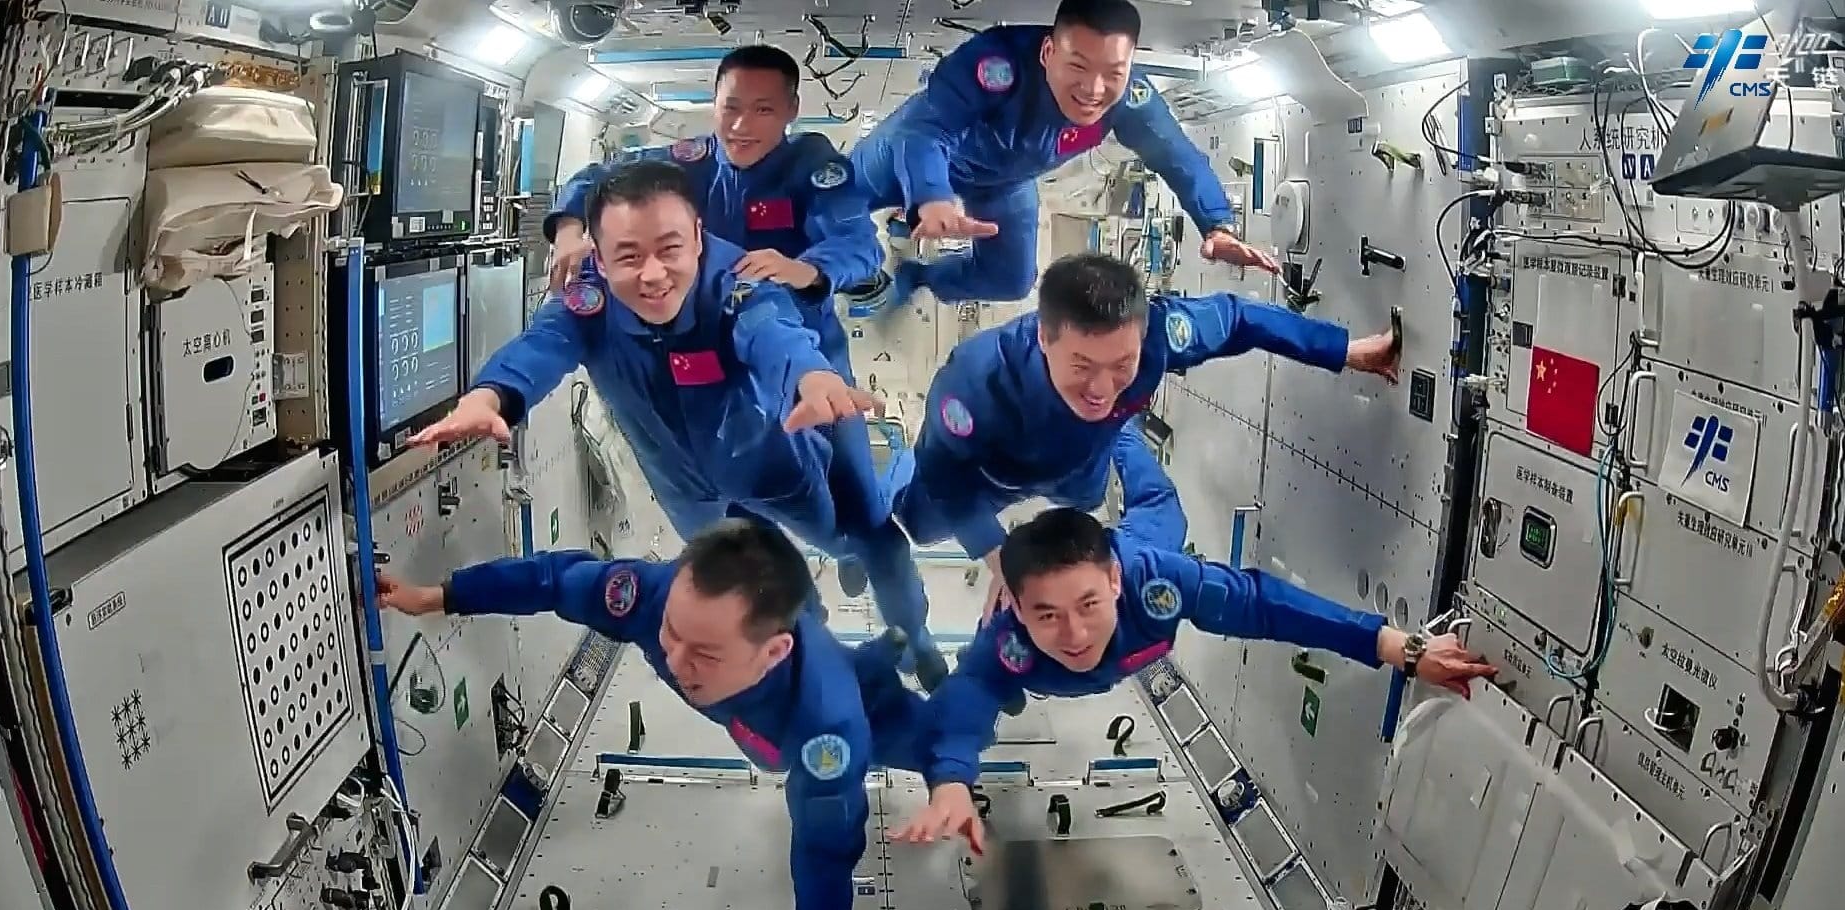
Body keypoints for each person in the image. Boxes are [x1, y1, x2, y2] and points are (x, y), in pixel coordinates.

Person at [375, 519, 929, 910]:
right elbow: (554, 580)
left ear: (773, 651)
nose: (674, 660)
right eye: (670, 635)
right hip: (757, 703)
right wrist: (440, 595)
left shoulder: (826, 725)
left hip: (847, 713)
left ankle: (893, 659)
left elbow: (825, 850)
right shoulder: (655, 597)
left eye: (704, 654)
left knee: (931, 745)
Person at [411, 159, 945, 689]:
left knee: (860, 539)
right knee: (760, 586)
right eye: (628, 256)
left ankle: (914, 636)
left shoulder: (735, 282)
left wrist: (812, 376)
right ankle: (810, 643)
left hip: (766, 462)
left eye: (670, 250)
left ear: (696, 234)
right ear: (598, 254)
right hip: (687, 491)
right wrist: (491, 396)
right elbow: (541, 345)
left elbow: (772, 332)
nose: (652, 275)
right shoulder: (588, 299)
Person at [889, 506, 1499, 851]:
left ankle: (1123, 435)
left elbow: (1265, 605)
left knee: (1164, 508)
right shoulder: (1008, 643)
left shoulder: (1157, 583)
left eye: (1088, 606)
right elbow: (966, 701)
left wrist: (1398, 646)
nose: (1073, 634)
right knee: (994, 691)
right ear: (1015, 607)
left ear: (1115, 584)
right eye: (1046, 614)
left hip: (1144, 548)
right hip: (1036, 673)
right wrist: (951, 781)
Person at [539, 48, 895, 600]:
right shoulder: (688, 162)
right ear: (713, 104)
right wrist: (567, 227)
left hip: (801, 349)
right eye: (730, 108)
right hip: (710, 356)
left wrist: (804, 268)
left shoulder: (814, 169)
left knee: (855, 486)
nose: (740, 126)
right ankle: (781, 594)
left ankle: (857, 551)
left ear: (791, 111)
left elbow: (860, 247)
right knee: (725, 482)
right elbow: (596, 178)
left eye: (762, 110)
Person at [892, 251, 1401, 611]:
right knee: (918, 523)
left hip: (1082, 466)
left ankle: (1118, 438)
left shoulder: (1161, 332)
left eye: (1122, 364)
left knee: (1087, 494)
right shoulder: (976, 381)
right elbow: (943, 473)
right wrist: (997, 556)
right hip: (991, 474)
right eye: (1082, 364)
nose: (1101, 385)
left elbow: (1240, 318)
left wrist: (1345, 350)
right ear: (1044, 337)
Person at [850, 0, 1280, 310]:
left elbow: (1177, 156)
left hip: (1005, 182)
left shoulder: (1129, 100)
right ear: (1048, 52)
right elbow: (928, 128)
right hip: (922, 151)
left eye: (1113, 72)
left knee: (1012, 281)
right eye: (1078, 66)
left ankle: (918, 275)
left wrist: (1217, 225)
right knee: (830, 202)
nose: (1094, 90)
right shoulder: (996, 63)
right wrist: (931, 195)